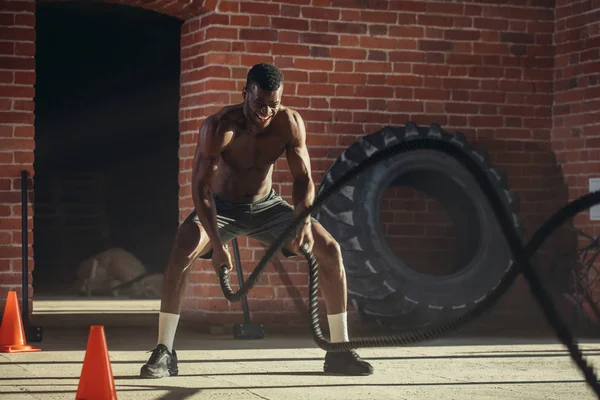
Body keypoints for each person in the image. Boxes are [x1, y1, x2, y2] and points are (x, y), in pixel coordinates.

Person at [140, 63, 374, 378]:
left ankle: (340, 352)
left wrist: (301, 220)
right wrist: (218, 244)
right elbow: (201, 189)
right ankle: (165, 352)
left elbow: (303, 179)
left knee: (330, 250)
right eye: (258, 104)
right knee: (184, 246)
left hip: (267, 206)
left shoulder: (289, 124)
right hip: (220, 207)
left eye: (272, 106)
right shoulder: (220, 126)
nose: (264, 113)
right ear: (245, 94)